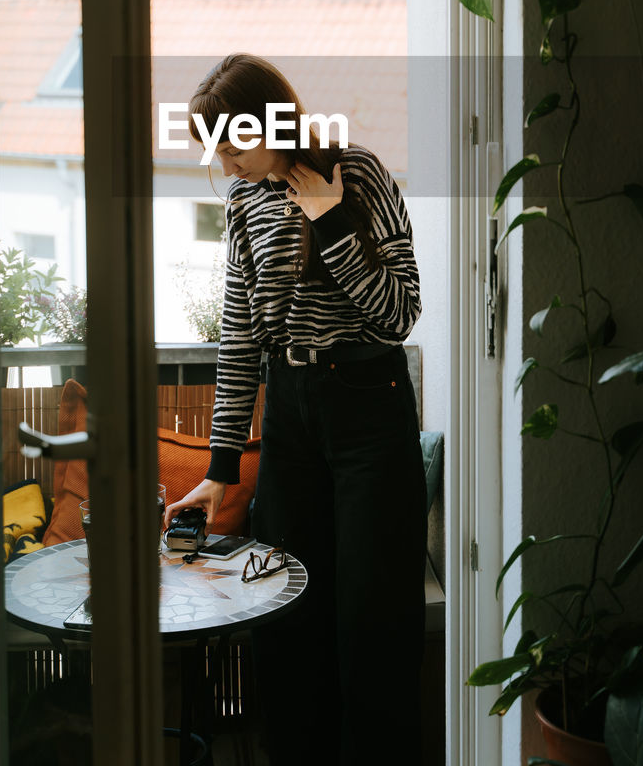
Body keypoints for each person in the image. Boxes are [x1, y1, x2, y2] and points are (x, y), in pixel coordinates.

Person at [164, 53, 427, 766]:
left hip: (370, 407)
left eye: (234, 142)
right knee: (283, 613)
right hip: (291, 414)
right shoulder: (243, 201)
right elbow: (241, 334)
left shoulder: (359, 175)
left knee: (371, 627)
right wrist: (221, 465)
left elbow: (398, 314)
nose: (225, 160)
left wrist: (332, 220)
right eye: (215, 147)